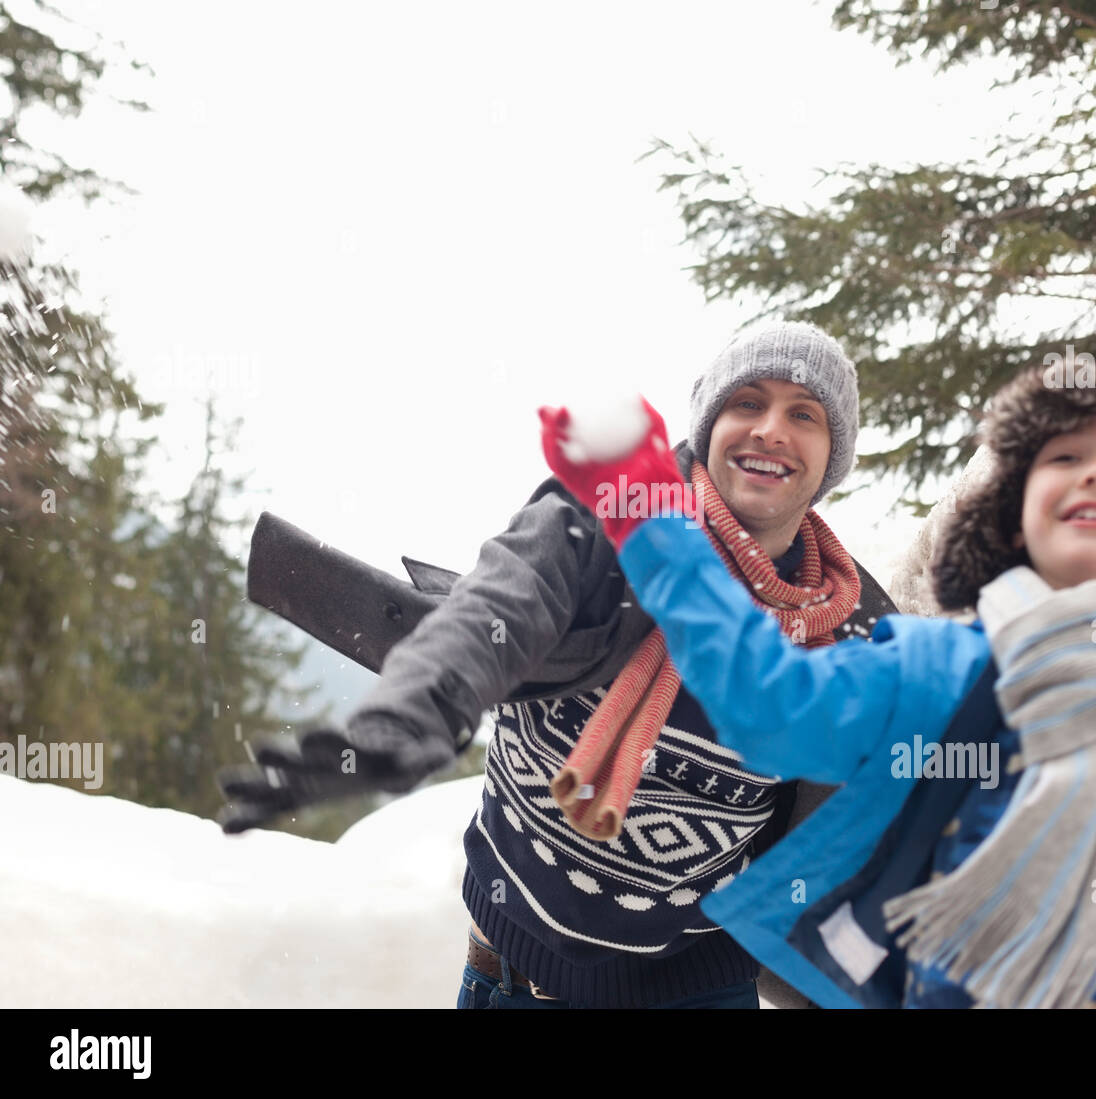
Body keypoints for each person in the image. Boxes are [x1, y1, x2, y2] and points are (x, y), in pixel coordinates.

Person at [539, 365, 1096, 1008]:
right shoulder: (927, 674)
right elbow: (762, 697)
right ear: (1012, 518)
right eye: (1064, 457)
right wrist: (641, 501)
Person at [218, 322, 898, 1009]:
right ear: (709, 421)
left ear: (831, 453)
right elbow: (500, 603)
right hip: (514, 975)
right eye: (748, 402)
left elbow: (832, 854)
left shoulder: (856, 636)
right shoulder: (607, 514)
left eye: (804, 414)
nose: (771, 430)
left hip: (698, 988)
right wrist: (411, 711)